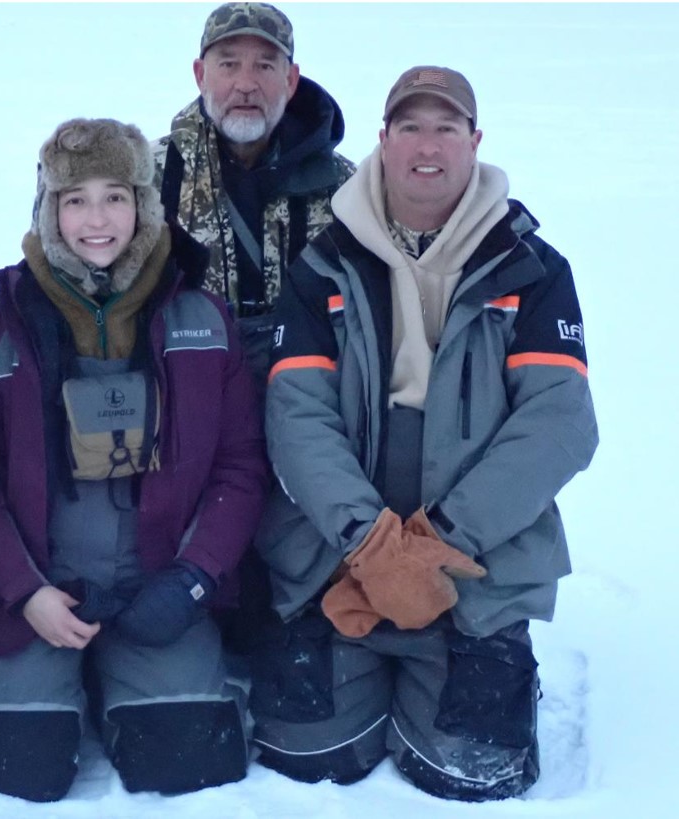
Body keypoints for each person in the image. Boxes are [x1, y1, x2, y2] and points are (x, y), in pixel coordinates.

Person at [251, 66, 599, 800]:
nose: (427, 144)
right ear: (383, 141)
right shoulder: (322, 267)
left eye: (446, 126)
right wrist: (371, 544)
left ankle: (478, 655)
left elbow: (559, 424)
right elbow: (297, 417)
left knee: (467, 773)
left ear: (475, 142)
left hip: (476, 564)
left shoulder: (532, 268)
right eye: (410, 126)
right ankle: (366, 652)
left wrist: (440, 540)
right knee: (314, 758)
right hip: (339, 556)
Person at [0, 118, 268, 802]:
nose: (96, 218)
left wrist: (191, 581)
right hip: (34, 598)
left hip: (160, 592)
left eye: (116, 195)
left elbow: (240, 466)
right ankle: (58, 676)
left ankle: (144, 671)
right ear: (48, 209)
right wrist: (26, 595)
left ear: (144, 204)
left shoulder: (202, 319)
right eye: (74, 198)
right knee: (18, 769)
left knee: (187, 763)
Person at [154, 1, 356, 387]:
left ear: (291, 80)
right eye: (228, 64)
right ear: (200, 75)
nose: (246, 84)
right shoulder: (149, 177)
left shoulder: (345, 187)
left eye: (264, 66)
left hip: (309, 397)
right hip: (187, 397)